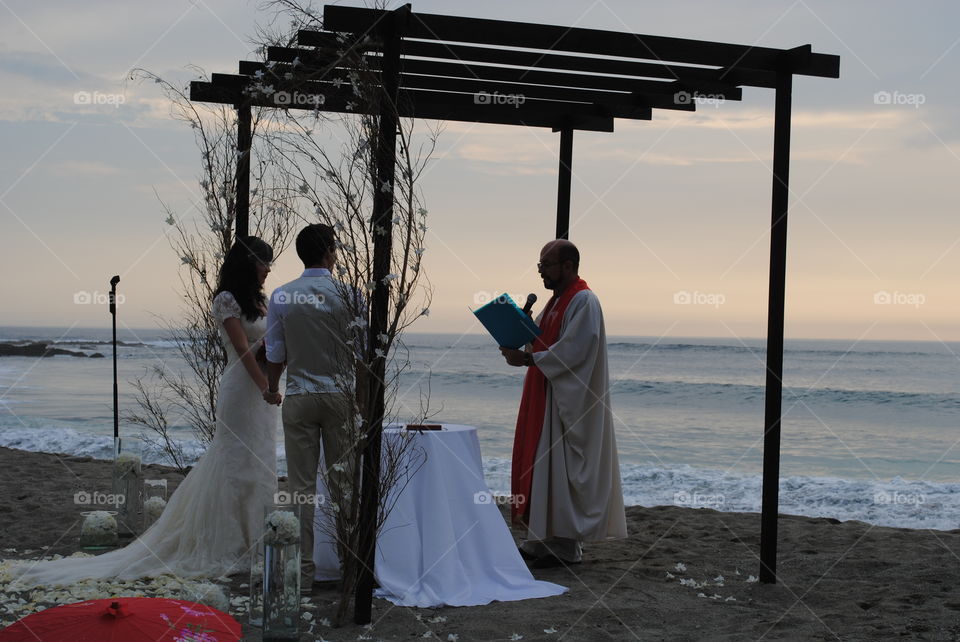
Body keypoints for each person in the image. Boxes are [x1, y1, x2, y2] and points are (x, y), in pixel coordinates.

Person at [12, 237, 281, 586]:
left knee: (258, 462)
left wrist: (276, 367)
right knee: (234, 462)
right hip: (242, 391)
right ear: (248, 263)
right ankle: (228, 543)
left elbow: (268, 342)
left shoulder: (262, 301)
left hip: (264, 393)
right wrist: (264, 386)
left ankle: (255, 542)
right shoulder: (227, 300)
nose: (268, 269)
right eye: (263, 262)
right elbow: (243, 348)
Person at [500, 239, 627, 569]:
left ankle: (566, 547)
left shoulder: (583, 301)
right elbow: (541, 339)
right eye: (539, 265)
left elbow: (575, 350)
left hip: (567, 400)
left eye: (546, 265)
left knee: (562, 468)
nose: (540, 270)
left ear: (568, 266)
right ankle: (539, 540)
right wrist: (518, 327)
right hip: (546, 394)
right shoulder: (554, 302)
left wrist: (527, 358)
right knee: (543, 467)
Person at [264, 223, 356, 592]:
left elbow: (275, 353)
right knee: (344, 485)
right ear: (330, 252)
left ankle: (303, 573)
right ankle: (349, 565)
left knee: (300, 488)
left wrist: (273, 388)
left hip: (300, 394)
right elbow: (362, 352)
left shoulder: (282, 295)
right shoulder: (349, 295)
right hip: (340, 395)